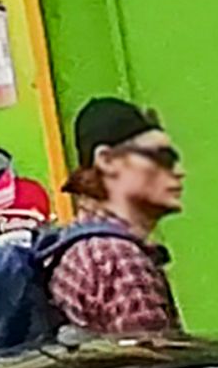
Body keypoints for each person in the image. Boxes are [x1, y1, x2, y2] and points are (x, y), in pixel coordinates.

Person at [40, 95, 188, 340]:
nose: (178, 171)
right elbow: (154, 360)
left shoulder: (78, 238)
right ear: (107, 161)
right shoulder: (118, 261)